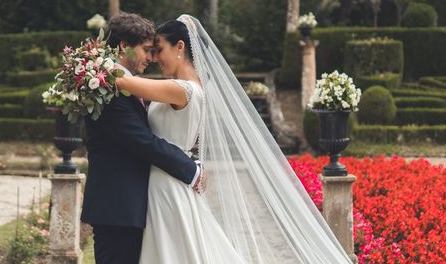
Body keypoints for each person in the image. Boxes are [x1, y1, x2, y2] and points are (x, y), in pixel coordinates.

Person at [115, 15, 353, 264]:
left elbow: (123, 81)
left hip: (167, 184)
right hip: (171, 179)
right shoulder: (191, 87)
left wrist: (91, 64)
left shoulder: (181, 89)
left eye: (159, 49)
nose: (153, 58)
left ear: (180, 47)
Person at [81, 12, 201, 264]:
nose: (152, 58)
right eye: (147, 50)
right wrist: (191, 169)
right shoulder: (106, 87)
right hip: (119, 206)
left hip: (141, 202)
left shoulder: (121, 82)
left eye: (156, 50)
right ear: (124, 46)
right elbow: (142, 141)